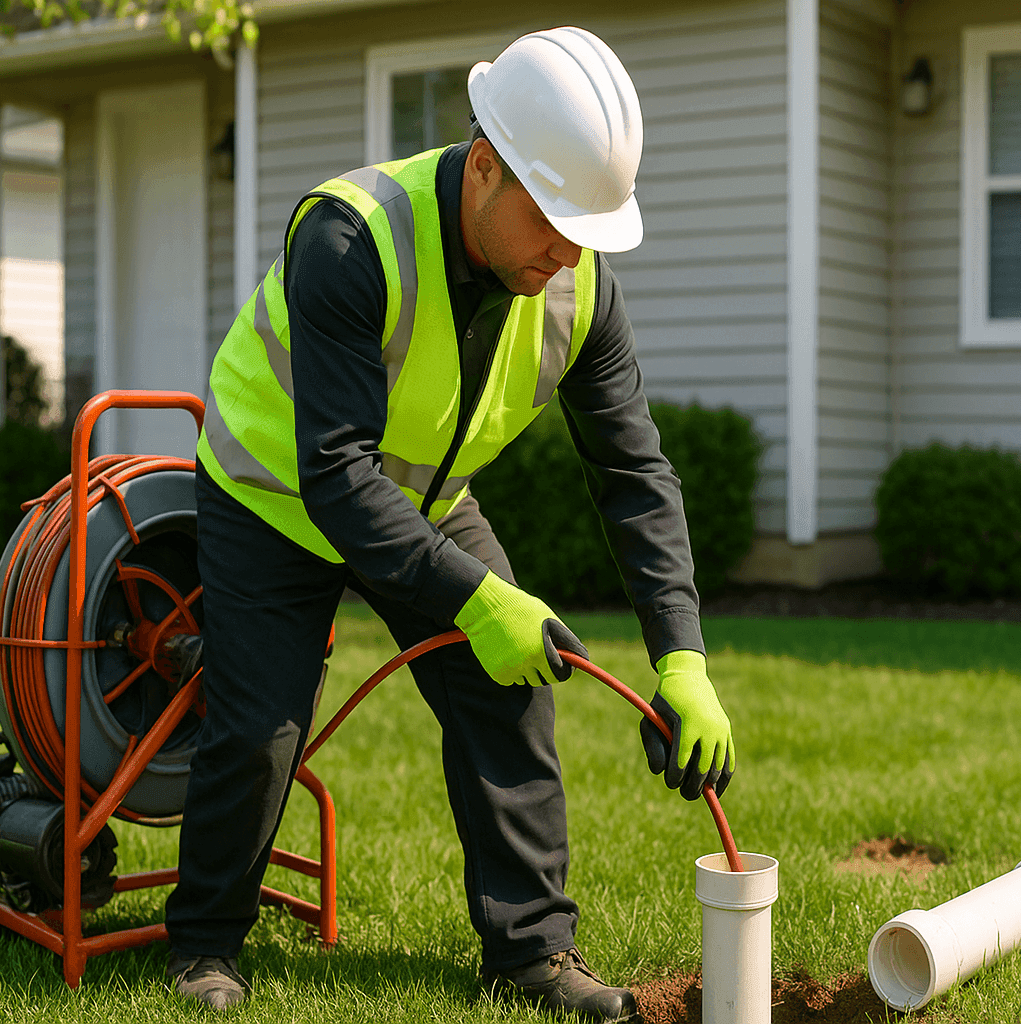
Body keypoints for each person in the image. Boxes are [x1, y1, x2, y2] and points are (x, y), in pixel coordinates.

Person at [164, 27, 735, 1021]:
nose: (567, 251)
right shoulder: (351, 239)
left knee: (511, 689)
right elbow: (336, 474)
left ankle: (531, 953)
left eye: (586, 229)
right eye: (552, 218)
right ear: (483, 167)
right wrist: (477, 599)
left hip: (422, 500)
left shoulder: (580, 289)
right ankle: (204, 941)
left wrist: (681, 655)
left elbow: (634, 473)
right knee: (261, 728)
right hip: (276, 493)